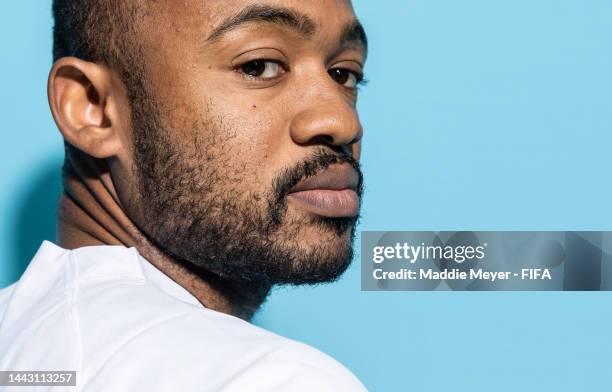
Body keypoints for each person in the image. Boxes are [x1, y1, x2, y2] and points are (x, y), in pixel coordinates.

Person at [0, 0, 368, 390]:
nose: (342, 122)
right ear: (93, 106)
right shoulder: (270, 377)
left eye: (344, 74)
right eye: (258, 66)